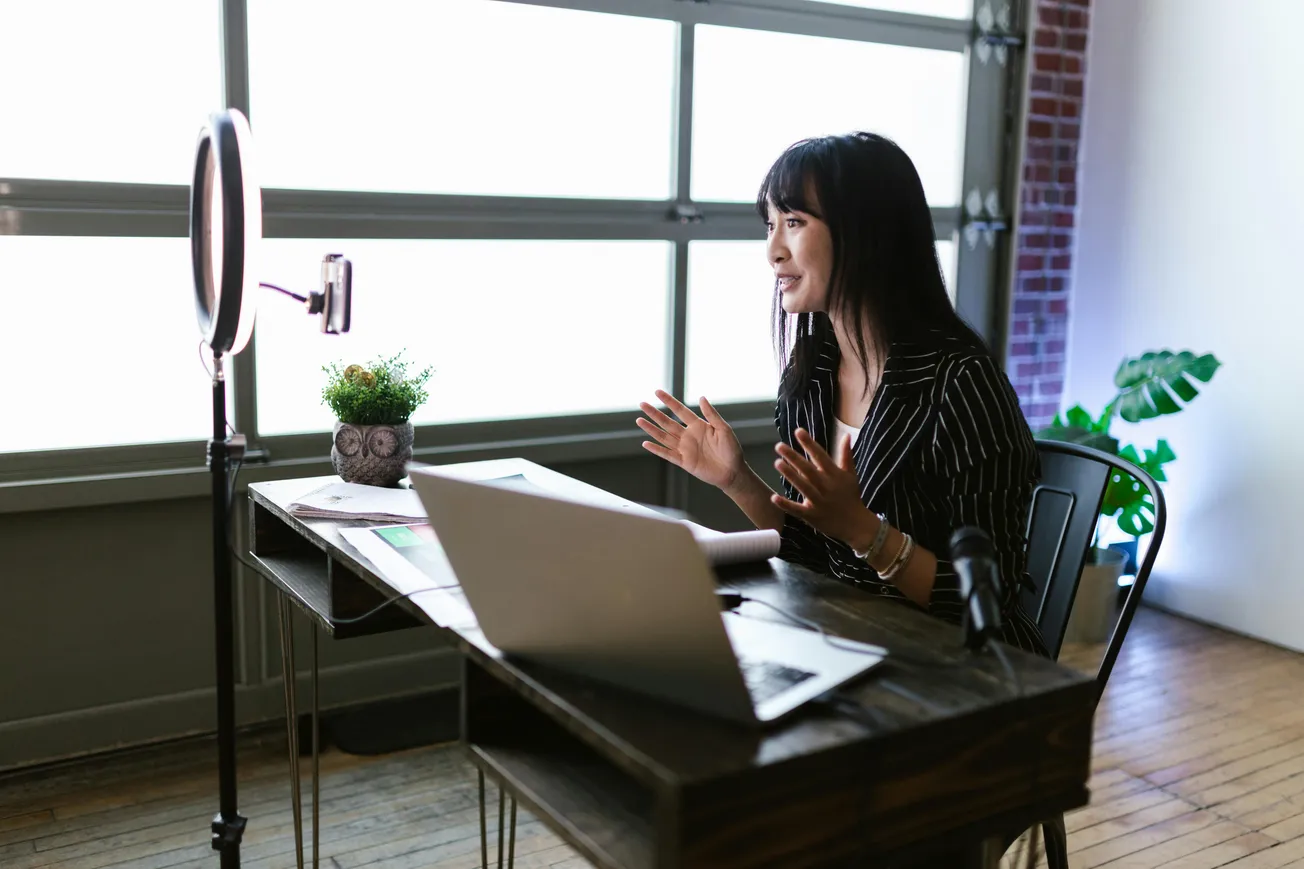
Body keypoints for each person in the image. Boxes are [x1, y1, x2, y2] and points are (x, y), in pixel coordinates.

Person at [636, 132, 1047, 657]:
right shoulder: (811, 373)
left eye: (795, 223)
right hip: (852, 641)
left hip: (956, 667)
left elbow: (987, 599)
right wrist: (737, 480)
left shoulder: (961, 382)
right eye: (771, 224)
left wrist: (863, 530)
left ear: (865, 234)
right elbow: (812, 552)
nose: (773, 251)